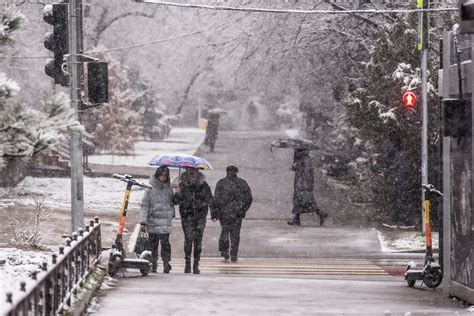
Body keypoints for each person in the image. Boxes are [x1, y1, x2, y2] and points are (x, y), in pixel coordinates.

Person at [140, 166, 179, 273]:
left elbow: (174, 202)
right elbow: (144, 205)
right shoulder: (149, 189)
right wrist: (143, 221)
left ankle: (166, 263)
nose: (163, 177)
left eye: (165, 176)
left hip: (165, 221)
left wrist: (178, 193)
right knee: (153, 244)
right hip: (153, 221)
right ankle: (154, 263)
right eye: (162, 175)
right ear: (157, 175)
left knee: (166, 244)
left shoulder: (168, 189)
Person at [211, 166, 252, 263]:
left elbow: (215, 199)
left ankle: (225, 252)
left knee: (225, 232)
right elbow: (249, 198)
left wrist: (215, 213)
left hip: (224, 213)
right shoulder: (242, 183)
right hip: (236, 213)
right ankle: (233, 254)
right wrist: (243, 209)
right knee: (235, 235)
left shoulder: (221, 183)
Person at [176, 167, 213, 274]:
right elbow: (175, 201)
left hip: (200, 217)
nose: (193, 175)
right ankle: (187, 263)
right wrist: (177, 193)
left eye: (195, 172)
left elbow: (210, 199)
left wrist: (214, 213)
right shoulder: (182, 185)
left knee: (198, 241)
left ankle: (196, 265)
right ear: (187, 173)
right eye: (191, 173)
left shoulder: (204, 185)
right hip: (186, 216)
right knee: (188, 239)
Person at [287, 149, 328, 226]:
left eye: (296, 150)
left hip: (304, 184)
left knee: (306, 202)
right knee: (299, 202)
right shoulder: (300, 158)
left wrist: (298, 167)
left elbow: (307, 171)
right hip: (299, 183)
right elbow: (300, 169)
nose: (294, 151)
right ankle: (296, 219)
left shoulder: (306, 158)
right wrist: (294, 167)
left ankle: (321, 213)